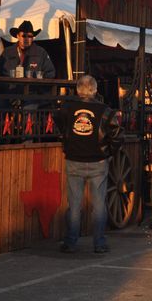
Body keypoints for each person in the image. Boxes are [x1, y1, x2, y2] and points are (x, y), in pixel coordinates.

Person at [56, 74, 120, 254]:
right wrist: (109, 153)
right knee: (99, 205)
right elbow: (117, 135)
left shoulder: (67, 108)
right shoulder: (106, 110)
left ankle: (70, 242)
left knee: (74, 205)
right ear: (95, 90)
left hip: (73, 160)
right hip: (98, 162)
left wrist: (66, 143)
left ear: (77, 90)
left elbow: (59, 124)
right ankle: (99, 243)